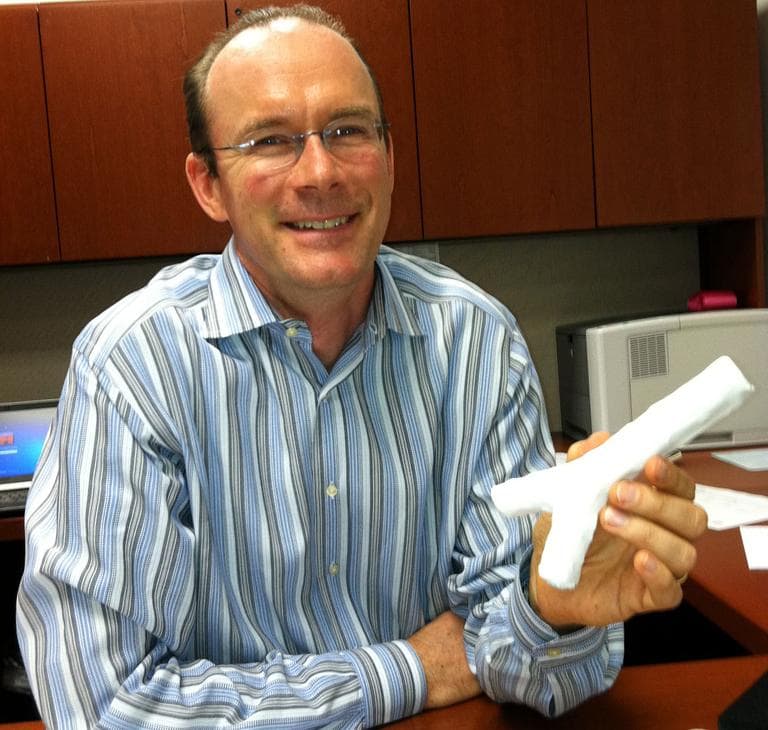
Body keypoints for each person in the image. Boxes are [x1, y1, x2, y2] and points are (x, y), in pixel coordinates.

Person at [17, 5, 707, 728]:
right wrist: (414, 667)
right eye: (269, 141)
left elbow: (509, 653)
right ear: (208, 184)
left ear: (389, 155)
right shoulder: (133, 366)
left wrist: (552, 609)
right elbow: (106, 704)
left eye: (347, 130)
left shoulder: (473, 340)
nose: (319, 173)